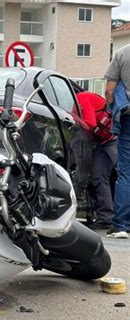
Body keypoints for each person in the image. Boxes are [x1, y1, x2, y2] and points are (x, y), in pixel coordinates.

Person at [75, 91, 117, 230]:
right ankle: (106, 218)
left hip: (113, 140)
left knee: (121, 176)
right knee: (99, 176)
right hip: (103, 141)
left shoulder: (82, 97)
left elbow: (91, 123)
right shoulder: (82, 100)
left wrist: (74, 120)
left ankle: (112, 217)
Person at [104, 44, 130, 239]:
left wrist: (111, 108)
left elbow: (110, 90)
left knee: (126, 173)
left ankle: (121, 224)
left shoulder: (123, 53)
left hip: (128, 117)